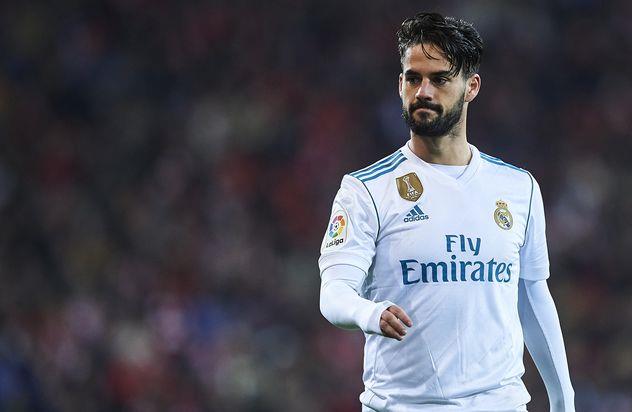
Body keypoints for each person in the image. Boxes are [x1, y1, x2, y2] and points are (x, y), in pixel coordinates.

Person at [318, 12, 575, 412]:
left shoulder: (518, 188)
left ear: (471, 87)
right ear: (400, 84)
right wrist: (370, 313)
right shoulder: (366, 190)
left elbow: (532, 296)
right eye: (413, 78)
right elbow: (333, 292)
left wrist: (563, 400)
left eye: (439, 79)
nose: (423, 91)